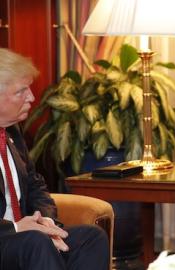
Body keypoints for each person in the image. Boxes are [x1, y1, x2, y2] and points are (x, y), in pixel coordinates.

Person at [0, 48, 109, 269]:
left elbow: (34, 183)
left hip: (26, 236)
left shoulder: (12, 131)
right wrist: (18, 228)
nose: (31, 97)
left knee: (91, 237)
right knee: (36, 242)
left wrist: (46, 222)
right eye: (22, 91)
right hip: (7, 236)